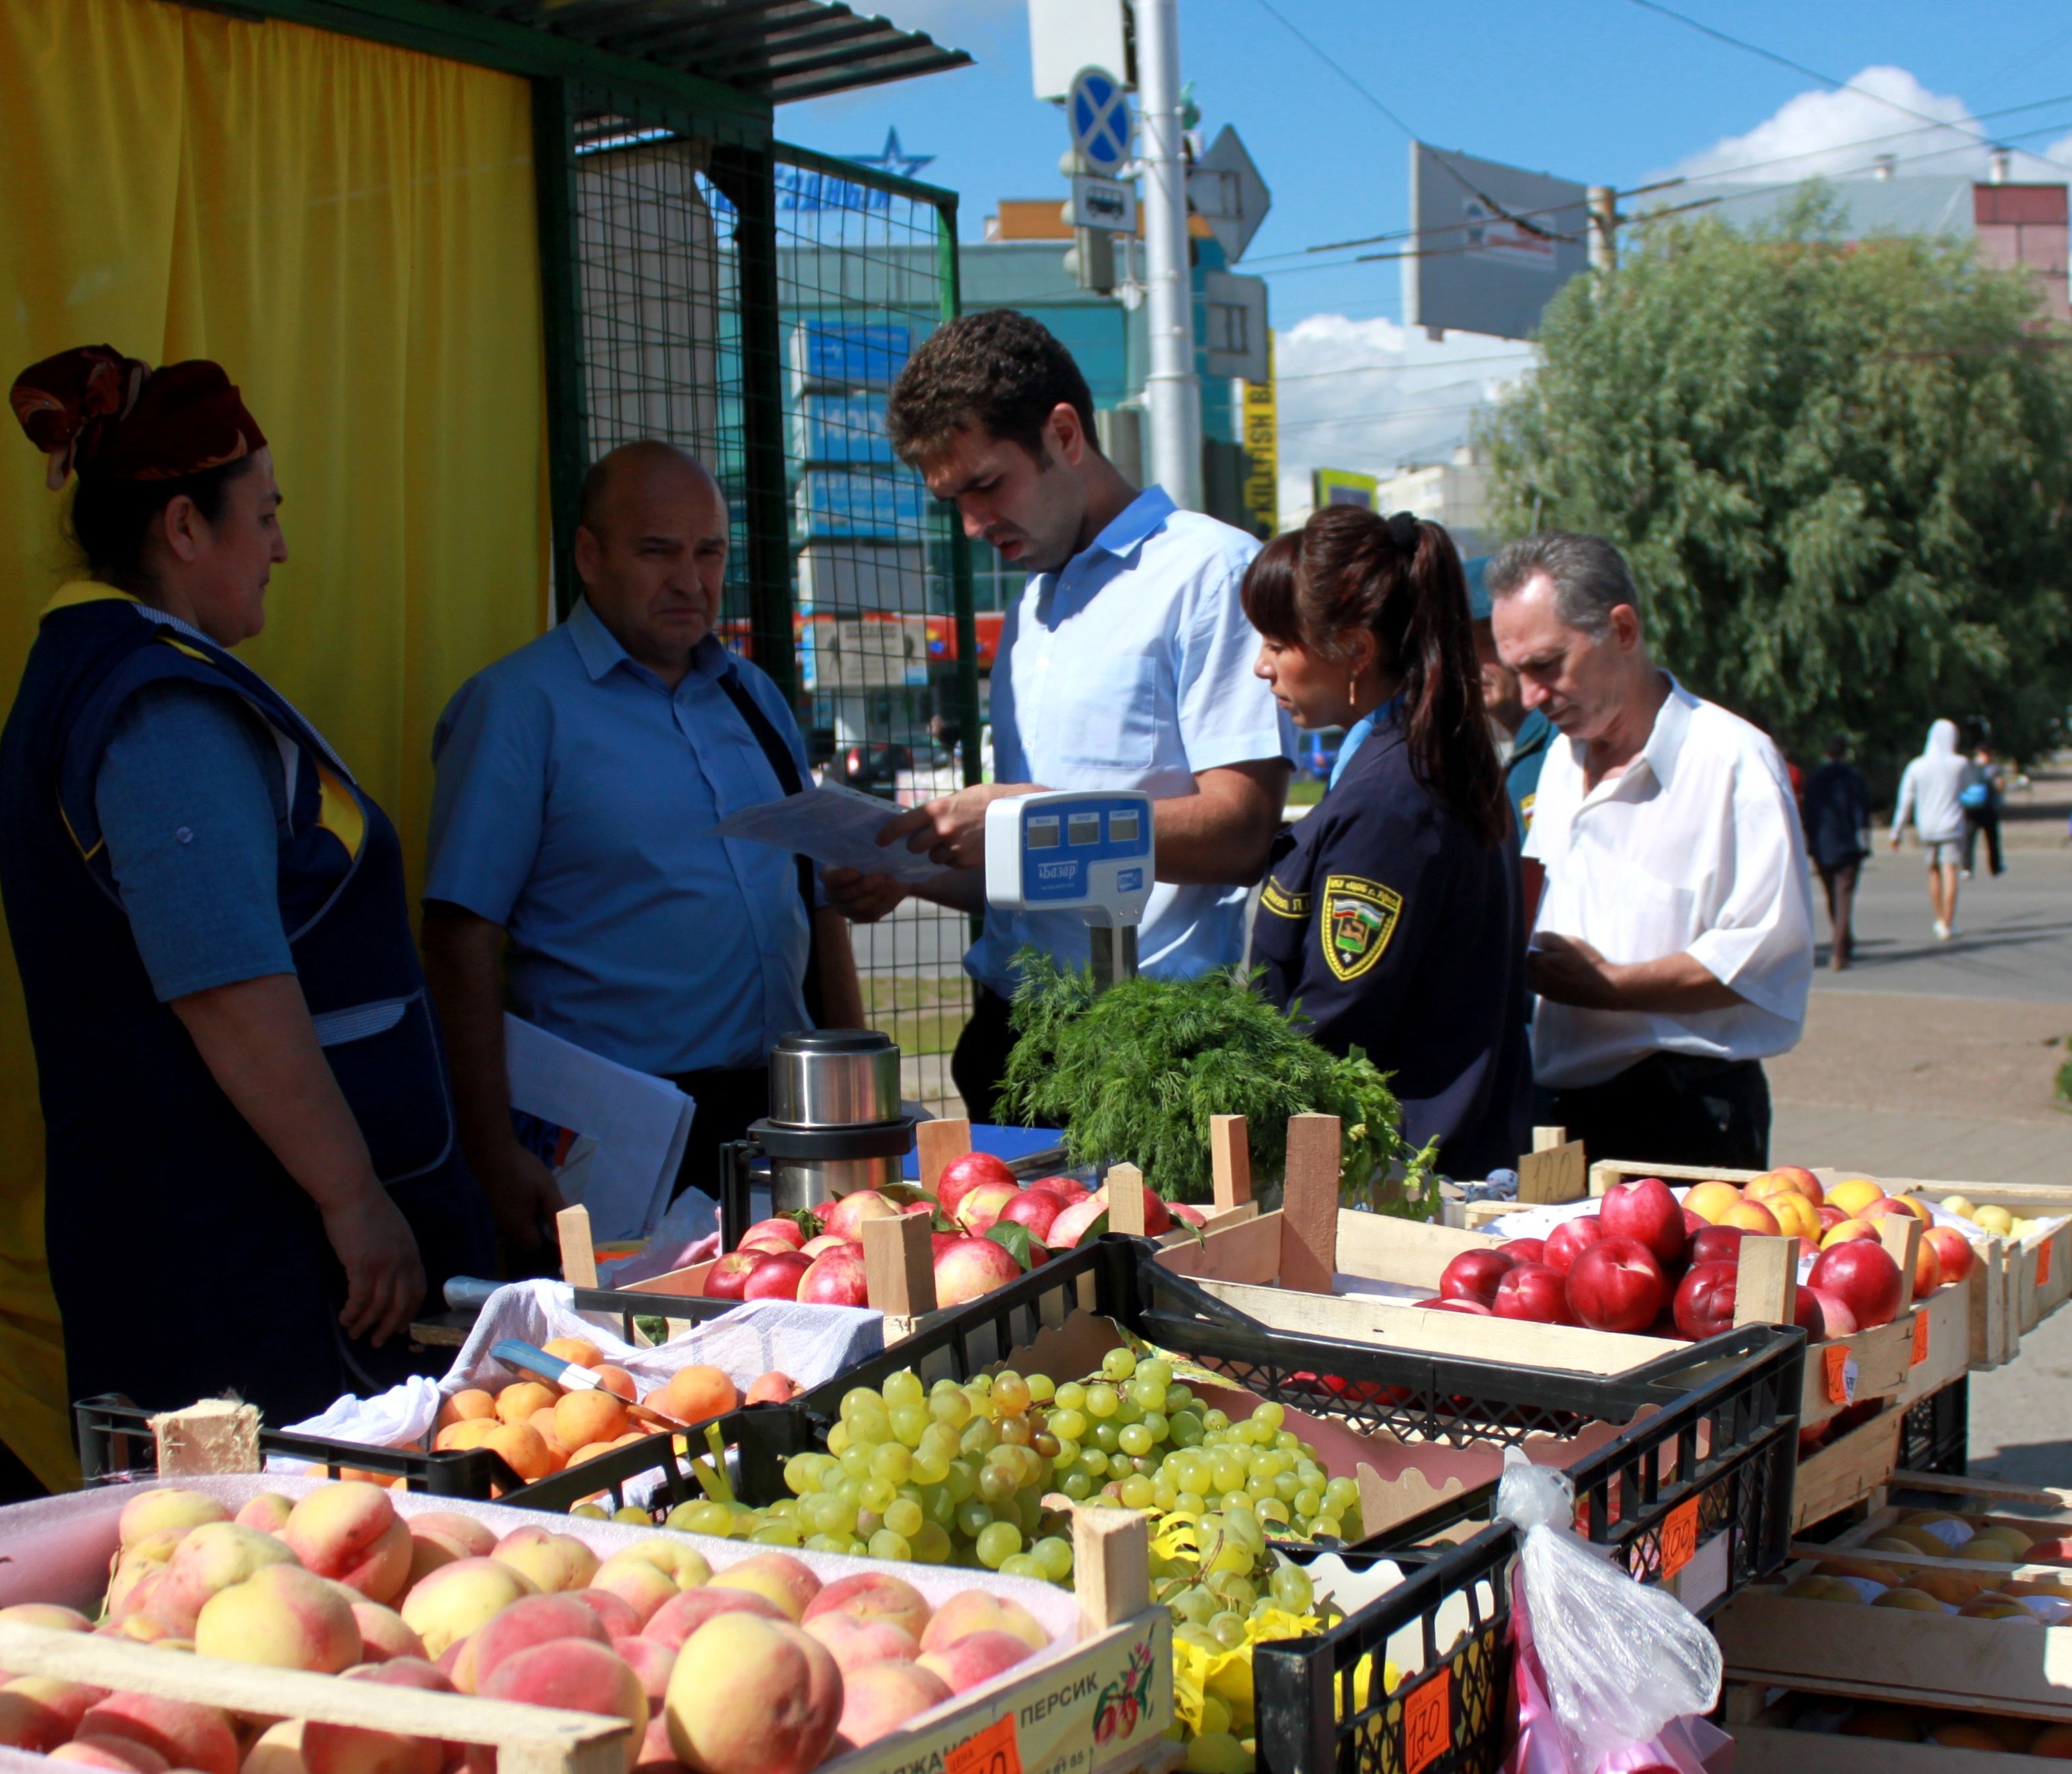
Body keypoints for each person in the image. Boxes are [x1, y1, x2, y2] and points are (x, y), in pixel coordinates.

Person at [0, 344, 493, 1418]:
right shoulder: (156, 707)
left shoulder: (128, 674)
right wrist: (353, 1198)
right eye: (261, 517)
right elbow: (225, 982)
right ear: (182, 527)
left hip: (209, 1233)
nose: (279, 548)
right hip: (228, 1253)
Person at [825, 311, 1291, 1120]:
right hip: (1009, 1033)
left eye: (985, 485)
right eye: (951, 500)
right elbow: (1044, 873)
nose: (972, 525)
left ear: (1065, 434)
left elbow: (1241, 834)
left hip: (1147, 1047)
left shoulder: (1209, 572)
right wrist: (914, 872)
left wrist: (1031, 817)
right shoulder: (1034, 607)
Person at [420, 443, 863, 1253]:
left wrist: (861, 1100)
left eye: (709, 552)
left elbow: (817, 900)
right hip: (620, 1139)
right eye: (657, 550)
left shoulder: (754, 697)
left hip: (786, 1112)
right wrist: (488, 1148)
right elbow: (459, 940)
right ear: (589, 555)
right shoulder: (518, 709)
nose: (690, 580)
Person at [1489, 531, 1812, 1171]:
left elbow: (1762, 956)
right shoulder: (1557, 757)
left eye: (1547, 665)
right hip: (1559, 1107)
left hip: (1685, 1112)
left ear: (1623, 630)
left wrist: (1609, 986)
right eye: (1517, 671)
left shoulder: (1731, 761)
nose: (1529, 696)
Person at [1237, 509, 1530, 1176]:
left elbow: (1333, 1020)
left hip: (1402, 1175)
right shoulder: (1427, 758)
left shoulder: (1390, 800)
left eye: (1280, 643)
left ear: (1355, 650)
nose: (1262, 667)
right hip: (1442, 1155)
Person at [1470, 568, 1557, 833]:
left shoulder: (1561, 742)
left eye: (1487, 641)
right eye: (1463, 646)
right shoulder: (1505, 755)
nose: (1473, 663)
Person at [1890, 719, 1972, 940]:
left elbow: (1905, 801)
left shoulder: (1917, 766)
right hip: (1952, 826)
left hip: (1927, 828)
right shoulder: (1960, 763)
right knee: (1950, 871)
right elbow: (1969, 790)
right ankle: (1948, 922)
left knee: (1933, 871)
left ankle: (1938, 918)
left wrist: (1896, 831)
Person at [1799, 735, 1871, 971]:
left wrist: (1809, 840)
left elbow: (1808, 812)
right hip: (1848, 844)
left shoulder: (1815, 778)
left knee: (1832, 895)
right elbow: (1861, 811)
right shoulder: (1853, 777)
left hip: (1823, 844)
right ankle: (1839, 950)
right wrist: (1865, 841)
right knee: (1845, 896)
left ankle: (1845, 940)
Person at [1960, 745, 2006, 878]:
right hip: (1989, 809)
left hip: (1971, 809)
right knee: (1992, 840)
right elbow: (2000, 786)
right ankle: (1995, 867)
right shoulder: (1993, 769)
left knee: (1969, 840)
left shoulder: (1968, 767)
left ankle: (1967, 868)